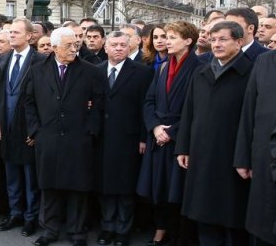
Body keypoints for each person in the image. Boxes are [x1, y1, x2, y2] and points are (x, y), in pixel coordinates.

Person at [24, 27, 104, 246]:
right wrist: (35, 131)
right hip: (47, 139)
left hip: (79, 139)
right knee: (49, 187)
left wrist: (91, 130)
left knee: (78, 189)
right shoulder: (37, 70)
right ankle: (50, 230)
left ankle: (77, 231)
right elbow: (29, 103)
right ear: (55, 47)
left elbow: (99, 104)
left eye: (76, 45)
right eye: (68, 45)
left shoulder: (91, 71)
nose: (74, 49)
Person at [175, 21, 251, 246]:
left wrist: (245, 158)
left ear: (238, 42)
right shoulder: (201, 72)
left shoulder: (251, 72)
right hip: (201, 154)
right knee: (204, 216)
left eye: (223, 39)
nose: (216, 44)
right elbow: (188, 112)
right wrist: (183, 147)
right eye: (213, 39)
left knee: (231, 218)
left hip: (232, 156)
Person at [137, 21, 202, 245]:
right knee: (159, 189)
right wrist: (155, 127)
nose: (166, 41)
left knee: (179, 192)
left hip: (180, 139)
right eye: (165, 36)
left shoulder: (200, 67)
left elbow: (198, 108)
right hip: (158, 136)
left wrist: (172, 132)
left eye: (172, 37)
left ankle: (179, 235)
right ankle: (161, 227)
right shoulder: (163, 67)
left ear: (188, 41)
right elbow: (149, 100)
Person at [95, 31, 153, 246]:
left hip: (128, 139)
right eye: (114, 44)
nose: (119, 48)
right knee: (105, 186)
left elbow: (144, 107)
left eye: (123, 45)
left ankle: (123, 230)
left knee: (125, 187)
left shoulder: (142, 72)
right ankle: (107, 227)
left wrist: (142, 138)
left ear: (129, 48)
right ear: (106, 48)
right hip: (101, 139)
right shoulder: (96, 71)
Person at [0, 17, 45, 237]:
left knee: (30, 177)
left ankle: (30, 217)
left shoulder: (40, 61)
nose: (11, 35)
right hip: (6, 126)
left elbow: (44, 100)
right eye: (10, 32)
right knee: (11, 174)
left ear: (29, 35)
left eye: (16, 32)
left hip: (28, 129)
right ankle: (15, 212)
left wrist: (36, 130)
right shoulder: (3, 59)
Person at [234, 46, 276, 246]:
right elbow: (248, 111)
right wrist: (243, 158)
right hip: (263, 158)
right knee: (262, 224)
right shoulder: (265, 61)